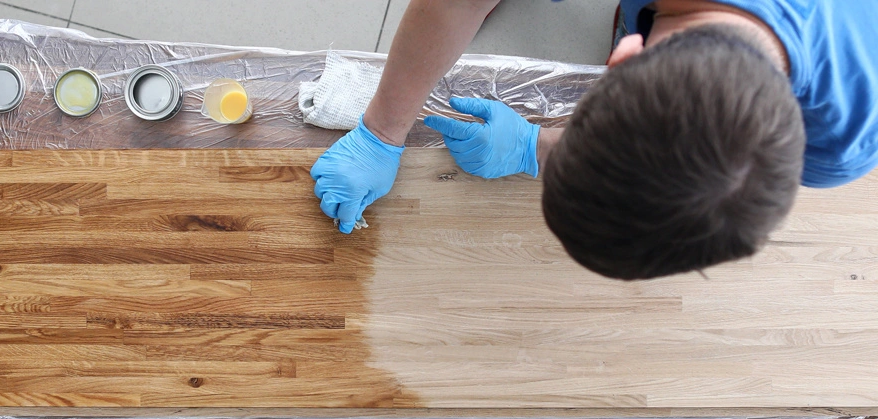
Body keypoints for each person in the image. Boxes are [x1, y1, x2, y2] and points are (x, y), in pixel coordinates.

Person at [309, 0, 878, 280]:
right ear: (625, 54)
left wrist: (534, 149)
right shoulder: (846, 131)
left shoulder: (849, 139)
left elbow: (707, 169)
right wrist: (382, 131)